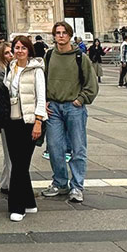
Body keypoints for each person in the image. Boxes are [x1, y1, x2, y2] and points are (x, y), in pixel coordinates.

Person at [41, 21, 98, 203]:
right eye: (57, 33)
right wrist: (45, 101)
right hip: (54, 108)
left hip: (73, 108)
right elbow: (41, 80)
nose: (61, 36)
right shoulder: (49, 56)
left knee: (77, 148)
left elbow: (91, 83)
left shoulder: (80, 57)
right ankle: (60, 183)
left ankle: (77, 186)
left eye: (64, 32)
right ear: (54, 36)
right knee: (55, 147)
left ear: (70, 35)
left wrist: (80, 100)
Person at [3, 36, 46, 221]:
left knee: (20, 166)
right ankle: (29, 202)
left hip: (30, 122)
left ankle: (17, 207)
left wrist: (39, 121)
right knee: (18, 163)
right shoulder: (11, 67)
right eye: (16, 47)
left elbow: (41, 97)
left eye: (23, 48)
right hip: (12, 121)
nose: (19, 51)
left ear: (29, 50)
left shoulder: (36, 70)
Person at [0, 41, 13, 194]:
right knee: (11, 153)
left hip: (12, 116)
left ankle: (6, 182)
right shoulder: (1, 71)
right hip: (8, 117)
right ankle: (12, 183)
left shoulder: (11, 68)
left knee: (10, 153)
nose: (11, 55)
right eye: (7, 53)